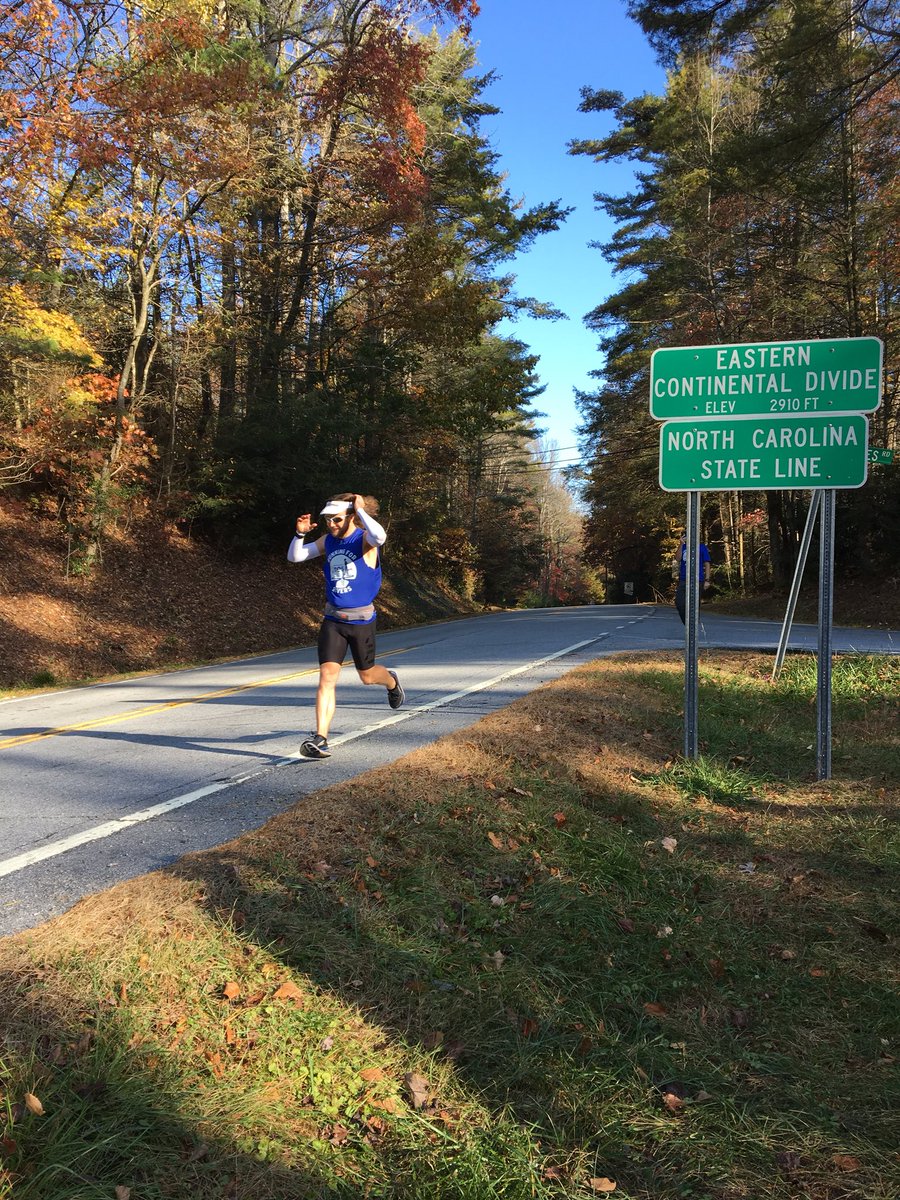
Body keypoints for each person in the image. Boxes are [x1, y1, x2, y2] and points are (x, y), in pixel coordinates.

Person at [287, 492, 404, 758]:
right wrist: (299, 533)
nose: (332, 525)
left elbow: (380, 536)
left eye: (337, 519)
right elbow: (295, 557)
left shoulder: (364, 540)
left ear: (351, 516)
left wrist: (361, 511)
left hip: (362, 621)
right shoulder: (328, 541)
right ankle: (321, 738)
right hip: (333, 620)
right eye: (328, 519)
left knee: (367, 675)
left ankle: (391, 681)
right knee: (327, 678)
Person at [672, 534, 711, 623]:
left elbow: (707, 564)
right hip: (683, 579)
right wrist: (681, 544)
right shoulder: (684, 546)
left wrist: (707, 580)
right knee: (679, 603)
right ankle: (689, 626)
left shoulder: (701, 547)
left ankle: (694, 625)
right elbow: (677, 559)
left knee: (695, 606)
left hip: (698, 579)